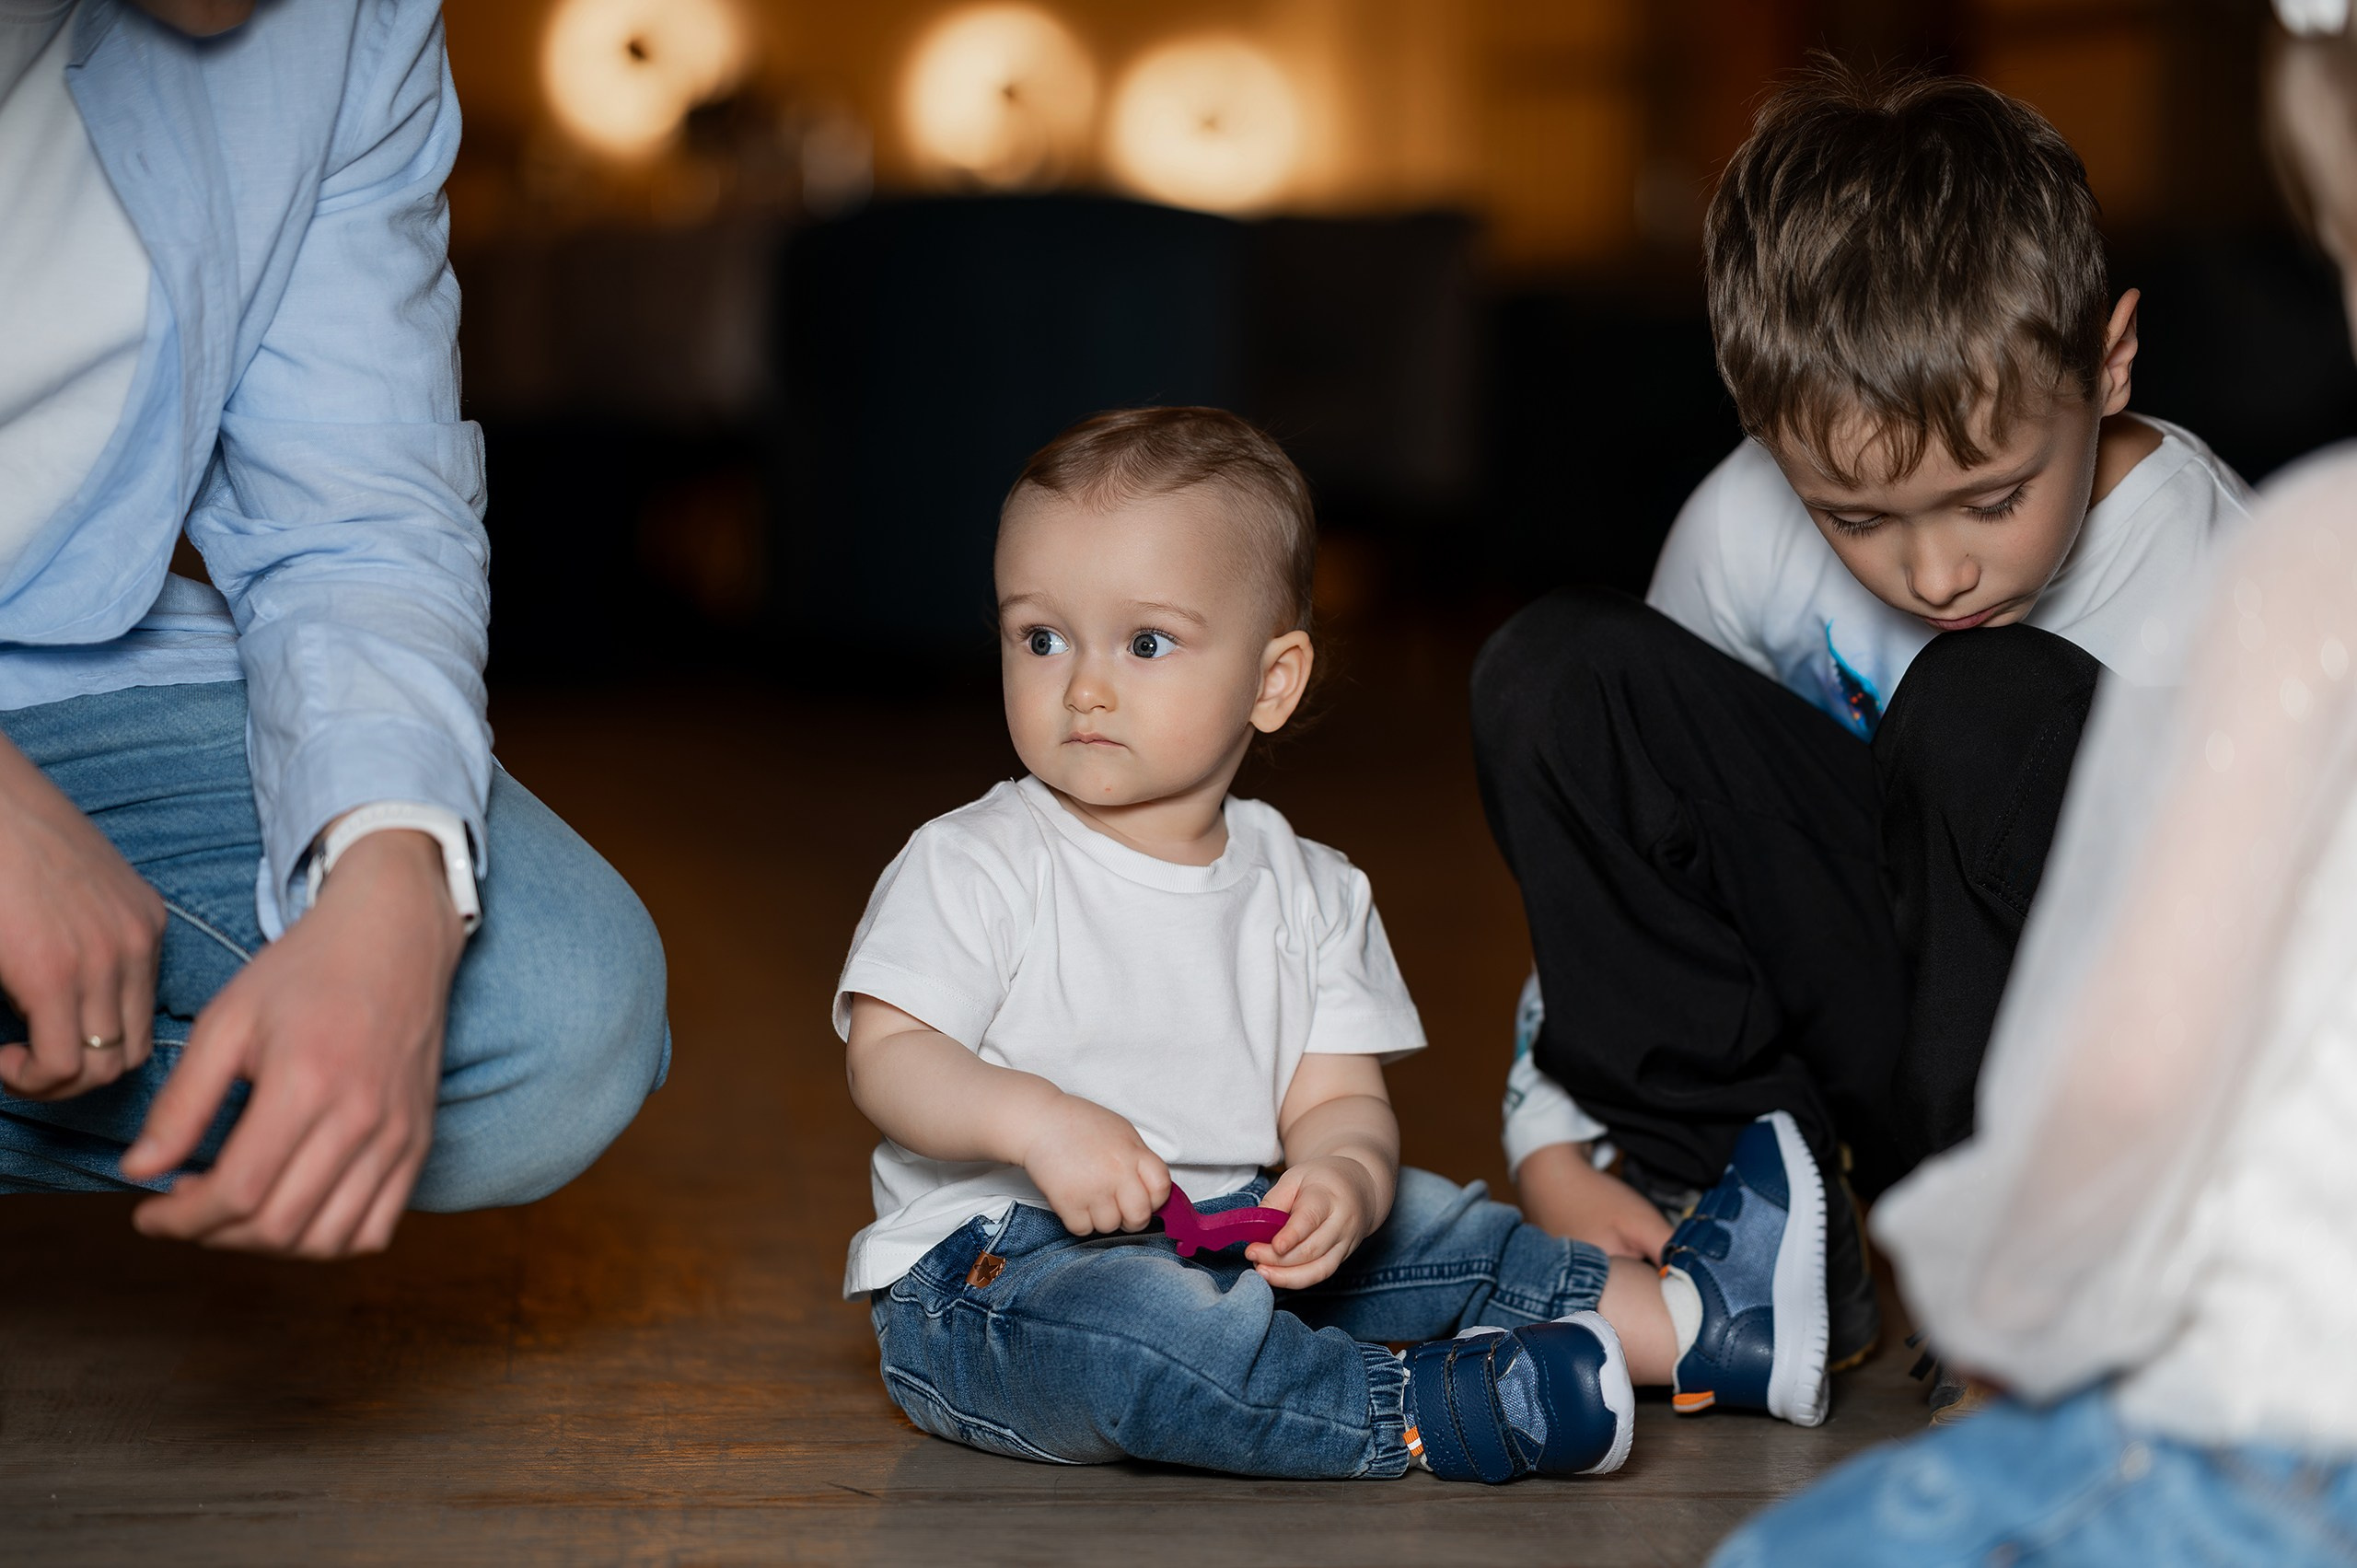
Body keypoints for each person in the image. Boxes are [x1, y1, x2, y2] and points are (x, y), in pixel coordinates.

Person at [838, 408, 1842, 1487]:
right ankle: (1417, 1410)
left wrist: (1343, 1175)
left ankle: (1701, 1327)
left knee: (1432, 1216)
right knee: (1149, 1335)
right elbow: (889, 1057)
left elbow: (1338, 1099)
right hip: (996, 1279)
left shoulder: (1309, 884)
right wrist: (1033, 1121)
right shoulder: (977, 859)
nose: (1083, 684)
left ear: (1271, 682)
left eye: (1144, 642)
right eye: (1040, 636)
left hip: (1229, 1228)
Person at [1474, 63, 2253, 1394]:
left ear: (2109, 360)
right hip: (1883, 1034)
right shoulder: (1748, 518)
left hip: (2126, 1091)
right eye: (1858, 518)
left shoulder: (2208, 566)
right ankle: (1747, 1234)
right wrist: (1556, 1130)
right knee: (1562, 674)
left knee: (1982, 696)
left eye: (1991, 498)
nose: (1937, 571)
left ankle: (2033, 1285)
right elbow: (1646, 820)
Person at [1714, 7, 2357, 1559]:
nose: (1936, 564)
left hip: (2271, 1413)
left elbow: (2150, 1049)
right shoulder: (1745, 543)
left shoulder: (2303, 561)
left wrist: (2014, 1308)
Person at [0, 0, 668, 1255]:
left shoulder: (353, 21)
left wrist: (394, 872)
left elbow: (357, 507)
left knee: (560, 1013)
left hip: (60, 667)